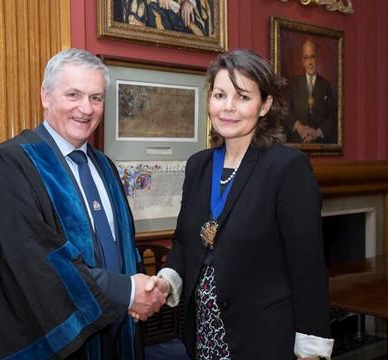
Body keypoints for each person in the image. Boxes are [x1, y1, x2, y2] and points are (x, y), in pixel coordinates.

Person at [0, 48, 166, 360]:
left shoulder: (105, 167)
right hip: (58, 343)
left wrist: (142, 293)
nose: (86, 108)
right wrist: (128, 292)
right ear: (45, 95)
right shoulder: (8, 165)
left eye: (96, 98)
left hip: (117, 332)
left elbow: (122, 251)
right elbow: (36, 263)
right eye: (73, 94)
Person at [138, 49, 334, 359]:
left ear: (265, 105)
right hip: (203, 336)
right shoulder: (198, 166)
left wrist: (311, 350)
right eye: (219, 95)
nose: (228, 107)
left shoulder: (287, 168)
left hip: (264, 339)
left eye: (243, 97)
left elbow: (308, 266)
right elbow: (184, 243)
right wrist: (165, 283)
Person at [285, 39, 336, 143]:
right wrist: (300, 128)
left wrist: (317, 132)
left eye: (312, 57)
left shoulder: (326, 85)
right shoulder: (293, 84)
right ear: (303, 61)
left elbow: (332, 115)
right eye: (306, 58)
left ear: (317, 59)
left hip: (321, 144)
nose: (310, 62)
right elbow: (286, 110)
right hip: (296, 142)